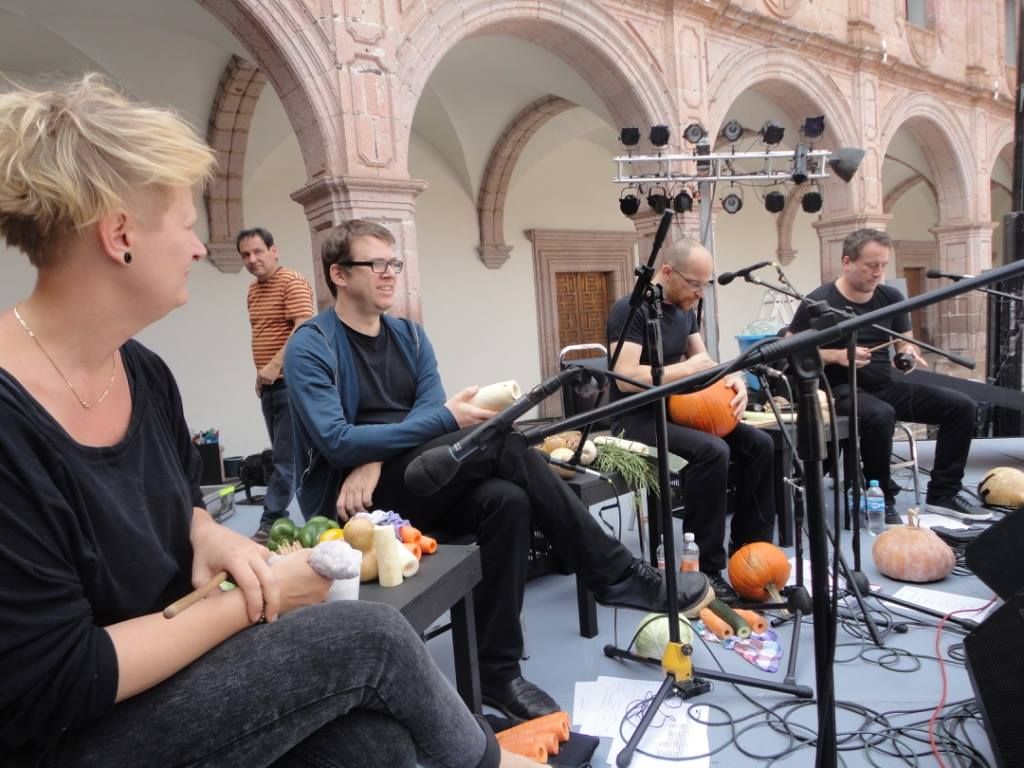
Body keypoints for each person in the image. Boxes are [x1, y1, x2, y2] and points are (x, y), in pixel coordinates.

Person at [0, 74, 536, 768]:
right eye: (189, 224)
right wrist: (262, 596)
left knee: (376, 748)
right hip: (71, 732)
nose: (200, 249)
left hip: (168, 676)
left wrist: (210, 537)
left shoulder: (146, 375)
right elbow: (59, 681)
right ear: (119, 234)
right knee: (370, 639)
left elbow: (177, 512)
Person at [283, 219, 715, 722]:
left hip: (405, 475)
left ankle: (498, 673)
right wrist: (414, 431)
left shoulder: (410, 337)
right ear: (338, 273)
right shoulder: (312, 346)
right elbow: (338, 439)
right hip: (352, 504)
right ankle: (615, 573)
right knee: (504, 442)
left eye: (394, 262)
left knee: (506, 501)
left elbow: (425, 416)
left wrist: (374, 453)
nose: (390, 274)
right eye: (375, 264)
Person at [606, 238, 776, 601]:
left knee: (759, 444)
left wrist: (733, 378)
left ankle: (751, 551)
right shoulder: (631, 309)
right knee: (712, 452)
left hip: (678, 410)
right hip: (634, 416)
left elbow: (705, 363)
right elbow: (624, 377)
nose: (700, 293)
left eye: (706, 284)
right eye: (694, 284)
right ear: (667, 272)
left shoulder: (686, 310)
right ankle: (704, 568)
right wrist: (687, 368)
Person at [788, 227, 986, 522]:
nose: (878, 273)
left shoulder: (891, 296)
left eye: (883, 265)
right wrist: (838, 356)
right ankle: (880, 496)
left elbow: (903, 341)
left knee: (962, 406)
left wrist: (906, 355)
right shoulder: (820, 301)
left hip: (883, 384)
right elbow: (789, 350)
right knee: (880, 415)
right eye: (871, 266)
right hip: (839, 390)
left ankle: (943, 492)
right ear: (847, 262)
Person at [238, 226, 315, 543]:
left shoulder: (292, 282)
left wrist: (274, 366)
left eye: (258, 251)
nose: (252, 259)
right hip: (270, 385)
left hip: (291, 384)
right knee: (289, 458)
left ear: (274, 250)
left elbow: (304, 328)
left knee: (286, 459)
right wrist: (261, 375)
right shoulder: (253, 291)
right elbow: (263, 336)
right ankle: (312, 516)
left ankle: (270, 521)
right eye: (246, 254)